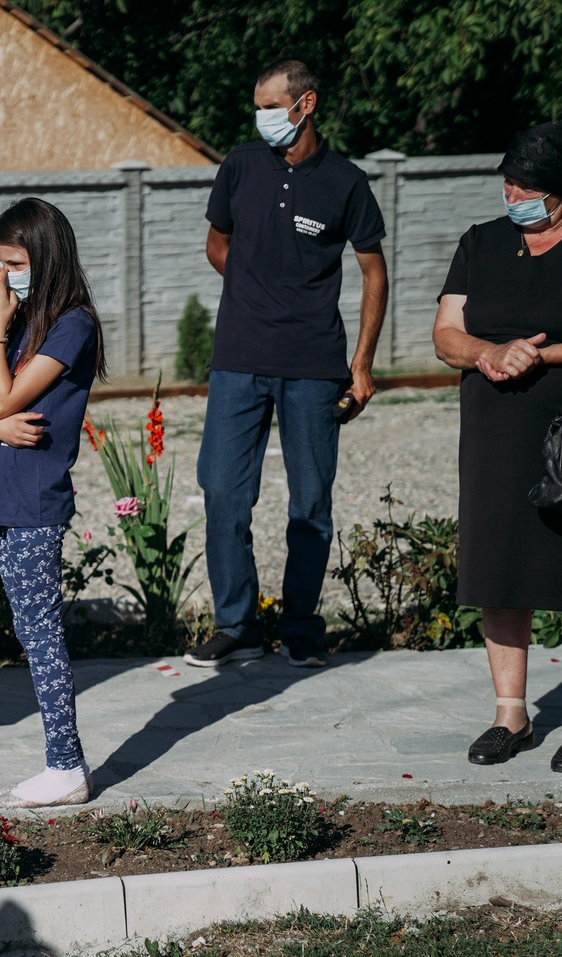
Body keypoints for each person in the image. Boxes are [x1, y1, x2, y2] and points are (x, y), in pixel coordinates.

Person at [187, 58, 389, 669]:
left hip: (312, 364)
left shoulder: (347, 182)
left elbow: (373, 272)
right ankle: (238, 626)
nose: (262, 117)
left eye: (272, 106)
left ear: (306, 105)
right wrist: (255, 286)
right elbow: (216, 243)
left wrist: (362, 364)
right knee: (222, 490)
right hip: (239, 357)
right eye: (258, 106)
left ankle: (301, 624)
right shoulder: (241, 165)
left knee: (310, 504)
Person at [431, 121, 562, 772]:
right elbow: (446, 332)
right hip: (493, 430)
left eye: (527, 185)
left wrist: (541, 353)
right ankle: (510, 713)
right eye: (507, 182)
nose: (513, 194)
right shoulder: (479, 243)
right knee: (498, 566)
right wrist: (484, 352)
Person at [0, 197, 106, 809]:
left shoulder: (72, 325)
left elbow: (1, 399)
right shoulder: (27, 325)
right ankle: (62, 760)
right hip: (3, 498)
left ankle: (65, 765)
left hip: (35, 503)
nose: (3, 277)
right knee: (30, 630)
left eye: (14, 263)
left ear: (45, 260)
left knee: (41, 633)